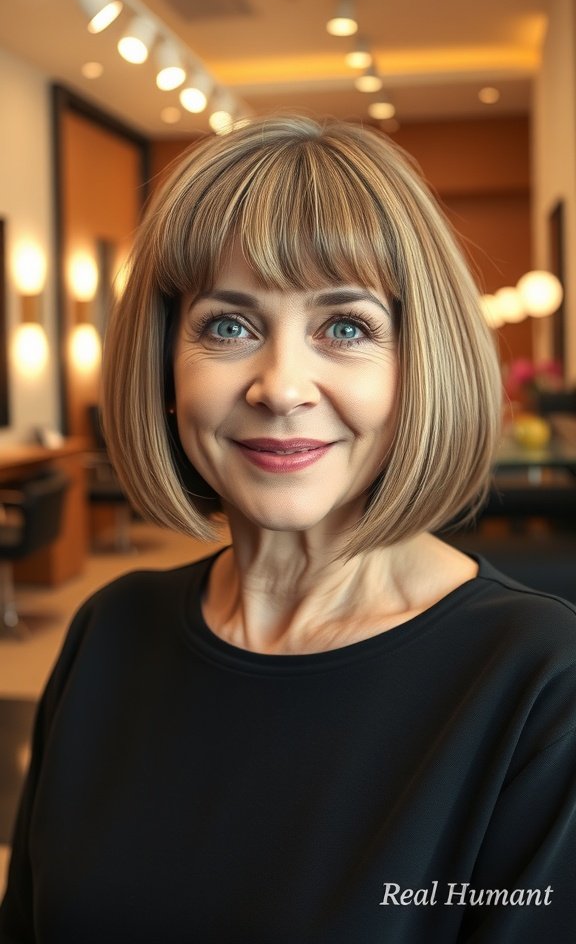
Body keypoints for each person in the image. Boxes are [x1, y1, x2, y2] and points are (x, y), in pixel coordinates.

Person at [1, 115, 575, 944]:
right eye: (228, 326)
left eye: (345, 327)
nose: (280, 386)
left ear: (420, 366)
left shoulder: (535, 681)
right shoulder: (112, 629)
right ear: (166, 367)